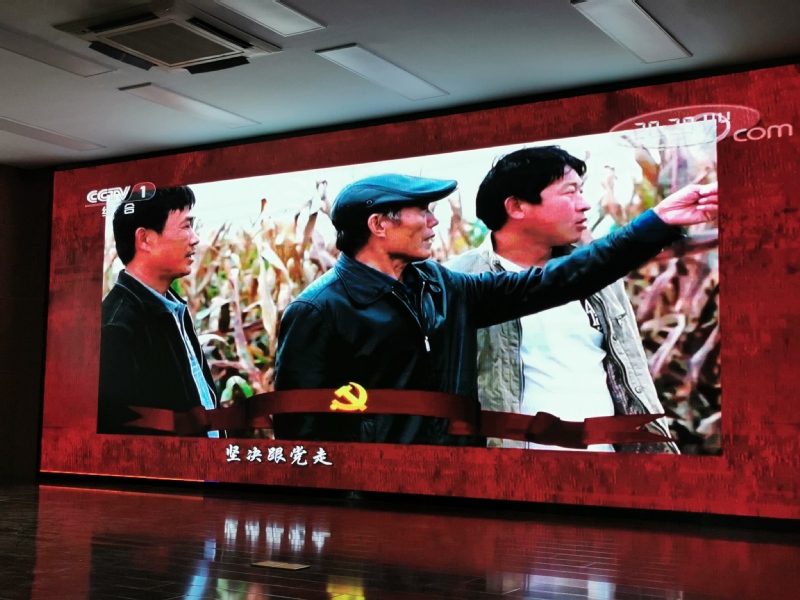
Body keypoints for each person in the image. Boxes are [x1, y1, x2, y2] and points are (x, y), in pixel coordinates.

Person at [272, 173, 717, 445]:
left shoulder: (442, 287)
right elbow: (301, 432)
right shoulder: (319, 310)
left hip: (454, 490)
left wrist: (656, 224)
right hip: (374, 503)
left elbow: (561, 279)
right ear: (378, 225)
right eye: (422, 211)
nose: (434, 221)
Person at [446, 146, 704, 452]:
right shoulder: (457, 280)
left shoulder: (599, 278)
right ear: (516, 206)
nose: (584, 204)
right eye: (570, 192)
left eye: (581, 191)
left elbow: (628, 374)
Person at [97, 186, 219, 437]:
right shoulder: (116, 329)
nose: (195, 238)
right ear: (145, 239)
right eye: (186, 226)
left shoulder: (174, 310)